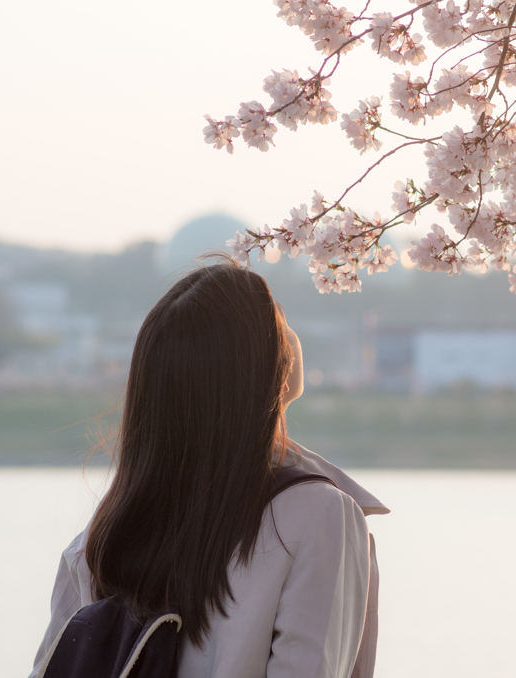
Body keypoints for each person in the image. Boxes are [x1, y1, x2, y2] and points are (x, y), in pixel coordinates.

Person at [28, 262, 388, 678]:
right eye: (279, 317)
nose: (290, 331)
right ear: (264, 367)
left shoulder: (106, 531)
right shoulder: (319, 516)